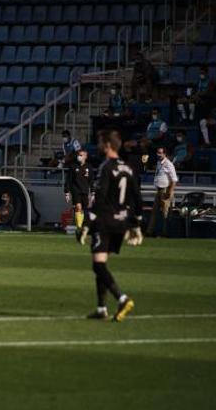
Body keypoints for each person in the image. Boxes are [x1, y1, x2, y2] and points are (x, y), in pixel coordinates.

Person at [79, 130, 142, 322]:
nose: (98, 146)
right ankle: (101, 309)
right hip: (121, 223)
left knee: (98, 265)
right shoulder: (129, 168)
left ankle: (122, 299)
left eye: (100, 143)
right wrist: (136, 225)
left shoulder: (106, 167)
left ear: (107, 145)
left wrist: (87, 225)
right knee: (102, 263)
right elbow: (136, 198)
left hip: (105, 222)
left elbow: (99, 200)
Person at [147, 146, 178, 238]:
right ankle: (149, 231)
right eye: (158, 152)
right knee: (154, 212)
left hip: (165, 190)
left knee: (165, 213)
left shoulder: (169, 164)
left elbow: (174, 180)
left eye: (160, 153)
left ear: (165, 154)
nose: (159, 154)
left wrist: (169, 191)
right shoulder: (159, 163)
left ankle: (164, 233)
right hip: (159, 190)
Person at [64, 149, 92, 234]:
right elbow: (68, 180)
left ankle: (85, 226)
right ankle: (79, 227)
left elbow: (91, 181)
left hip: (85, 191)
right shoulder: (73, 166)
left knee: (85, 209)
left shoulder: (89, 167)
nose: (79, 157)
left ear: (85, 157)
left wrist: (93, 192)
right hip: (76, 190)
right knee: (78, 207)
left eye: (81, 155)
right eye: (78, 155)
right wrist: (67, 192)